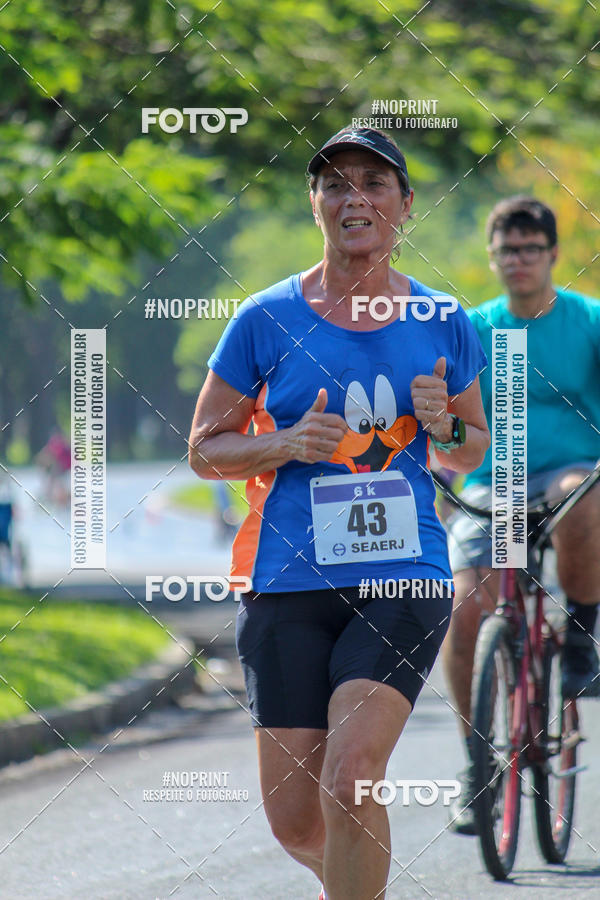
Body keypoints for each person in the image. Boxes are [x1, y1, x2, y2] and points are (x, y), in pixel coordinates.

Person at [188, 126, 490, 899]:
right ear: (315, 204)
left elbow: (471, 448)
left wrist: (441, 424)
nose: (352, 196)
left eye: (373, 183)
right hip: (287, 576)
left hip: (404, 576)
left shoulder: (443, 319)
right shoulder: (263, 318)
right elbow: (204, 448)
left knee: (353, 774)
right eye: (334, 183)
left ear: (406, 207)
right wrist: (284, 443)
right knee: (295, 821)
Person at [442, 196, 600, 835]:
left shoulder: (588, 321)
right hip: (496, 486)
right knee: (469, 610)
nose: (520, 261)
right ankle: (476, 763)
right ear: (493, 257)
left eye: (532, 249)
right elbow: (449, 417)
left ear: (553, 255)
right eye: (509, 250)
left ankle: (582, 632)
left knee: (583, 493)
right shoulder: (475, 328)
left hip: (570, 473)